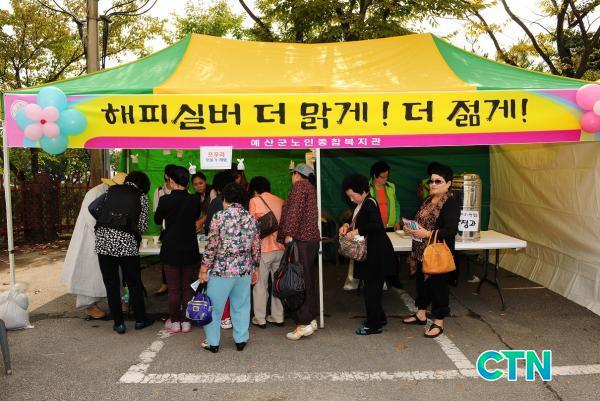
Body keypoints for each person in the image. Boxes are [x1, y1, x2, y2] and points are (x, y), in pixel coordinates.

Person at [199, 183, 260, 353]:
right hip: (244, 270)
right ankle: (241, 340)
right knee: (241, 306)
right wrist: (255, 268)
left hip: (222, 270)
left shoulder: (219, 217)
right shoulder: (251, 218)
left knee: (214, 307)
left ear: (224, 199)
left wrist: (203, 268)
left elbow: (211, 246)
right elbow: (256, 247)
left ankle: (213, 343)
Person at [402, 163, 460, 339]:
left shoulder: (450, 203)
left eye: (438, 181)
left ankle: (439, 322)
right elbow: (418, 219)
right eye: (431, 181)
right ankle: (421, 314)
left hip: (438, 252)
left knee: (438, 287)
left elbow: (451, 230)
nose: (433, 184)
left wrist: (427, 234)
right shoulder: (428, 199)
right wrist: (410, 227)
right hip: (421, 250)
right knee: (422, 284)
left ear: (448, 183)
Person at [94, 171, 154, 334]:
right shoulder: (141, 197)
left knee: (111, 284)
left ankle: (119, 323)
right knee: (134, 283)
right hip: (126, 244)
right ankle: (140, 320)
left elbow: (97, 210)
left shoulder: (110, 191)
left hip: (103, 242)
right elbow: (142, 226)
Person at [62, 172, 127, 320]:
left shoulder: (111, 192)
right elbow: (90, 218)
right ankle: (89, 306)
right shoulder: (95, 193)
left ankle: (117, 299)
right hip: (90, 238)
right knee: (90, 273)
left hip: (106, 236)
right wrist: (107, 233)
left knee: (112, 271)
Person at [339, 174, 398, 335]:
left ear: (362, 191)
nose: (351, 199)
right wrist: (347, 225)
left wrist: (357, 231)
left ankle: (374, 325)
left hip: (376, 254)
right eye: (349, 196)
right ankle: (378, 318)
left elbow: (376, 225)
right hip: (372, 253)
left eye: (352, 195)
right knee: (372, 289)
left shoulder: (369, 203)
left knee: (372, 291)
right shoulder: (362, 203)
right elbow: (357, 220)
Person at [154, 166, 201, 334]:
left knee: (173, 289)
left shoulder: (165, 200)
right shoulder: (195, 200)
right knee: (187, 288)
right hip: (189, 248)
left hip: (171, 248)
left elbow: (157, 219)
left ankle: (175, 322)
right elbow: (195, 217)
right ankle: (186, 322)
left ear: (172, 181)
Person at [277, 163, 320, 341]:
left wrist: (288, 235)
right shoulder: (310, 188)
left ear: (297, 174)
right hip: (310, 240)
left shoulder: (299, 187)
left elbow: (294, 213)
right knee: (308, 279)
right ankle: (311, 319)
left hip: (300, 241)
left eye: (293, 174)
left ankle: (302, 324)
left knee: (298, 281)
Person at [248, 176, 285, 329]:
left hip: (263, 250)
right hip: (280, 248)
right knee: (278, 283)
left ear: (254, 190)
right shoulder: (280, 201)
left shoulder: (254, 201)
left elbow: (252, 227)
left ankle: (260, 318)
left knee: (260, 285)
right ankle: (278, 317)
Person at [203, 171, 236, 330]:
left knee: (220, 287)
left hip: (220, 253)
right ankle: (232, 317)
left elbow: (209, 229)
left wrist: (204, 266)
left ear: (217, 188)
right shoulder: (241, 203)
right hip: (239, 255)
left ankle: (224, 317)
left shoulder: (216, 202)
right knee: (236, 288)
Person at [154, 164, 178, 296]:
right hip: (165, 229)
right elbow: (156, 213)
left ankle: (179, 284)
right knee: (165, 257)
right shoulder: (159, 191)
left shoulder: (186, 191)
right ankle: (165, 283)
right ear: (166, 176)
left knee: (180, 257)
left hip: (180, 229)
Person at [369, 161, 401, 232]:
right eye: (382, 177)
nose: (385, 179)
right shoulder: (367, 188)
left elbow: (396, 205)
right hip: (373, 227)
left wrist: (397, 221)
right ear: (374, 176)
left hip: (390, 227)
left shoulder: (391, 187)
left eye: (387, 176)